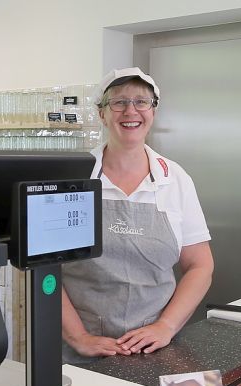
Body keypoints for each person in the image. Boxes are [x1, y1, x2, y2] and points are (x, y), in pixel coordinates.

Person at [61, 67, 213, 364]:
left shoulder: (176, 179)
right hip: (79, 350)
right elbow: (45, 271)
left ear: (153, 111)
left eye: (142, 102)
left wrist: (165, 327)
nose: (131, 111)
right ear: (102, 113)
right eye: (118, 102)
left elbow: (200, 266)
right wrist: (79, 337)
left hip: (158, 347)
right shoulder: (70, 176)